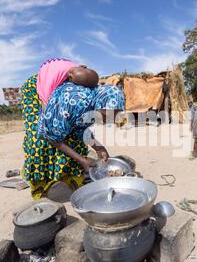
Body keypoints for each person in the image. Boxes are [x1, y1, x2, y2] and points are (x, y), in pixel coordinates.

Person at [21, 58, 125, 201]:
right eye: (107, 116)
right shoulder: (75, 102)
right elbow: (50, 135)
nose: (107, 121)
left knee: (72, 137)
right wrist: (82, 160)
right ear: (101, 106)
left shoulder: (96, 102)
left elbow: (80, 129)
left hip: (64, 99)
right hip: (36, 89)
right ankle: (42, 186)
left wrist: (98, 147)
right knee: (39, 142)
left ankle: (69, 179)